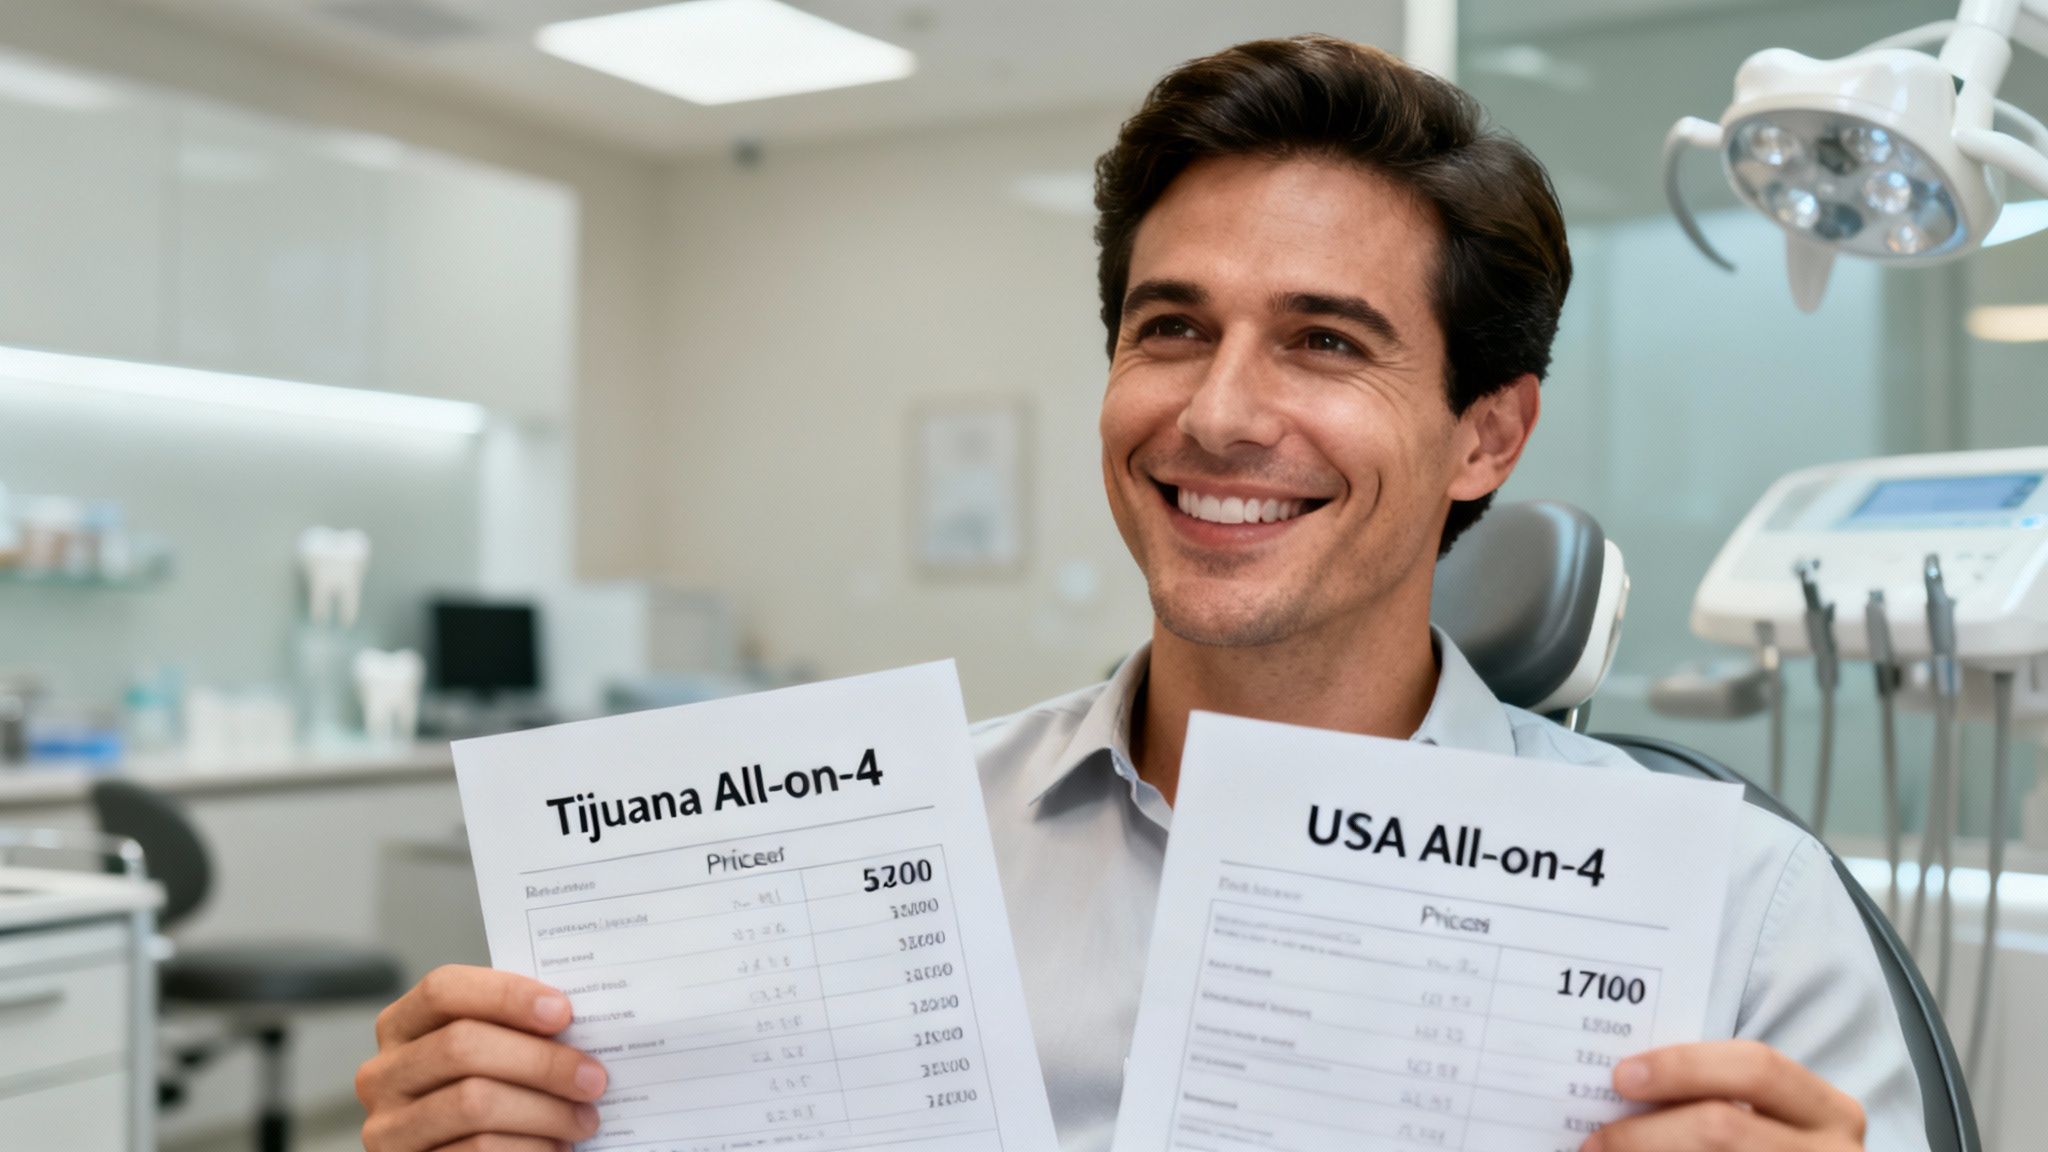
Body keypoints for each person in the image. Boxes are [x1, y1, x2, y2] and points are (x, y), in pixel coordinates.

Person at [355, 35, 1919, 1152]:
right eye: (1171, 329)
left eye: (1326, 340)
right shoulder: (874, 855)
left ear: (1485, 435)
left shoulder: (1742, 921)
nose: (1221, 414)